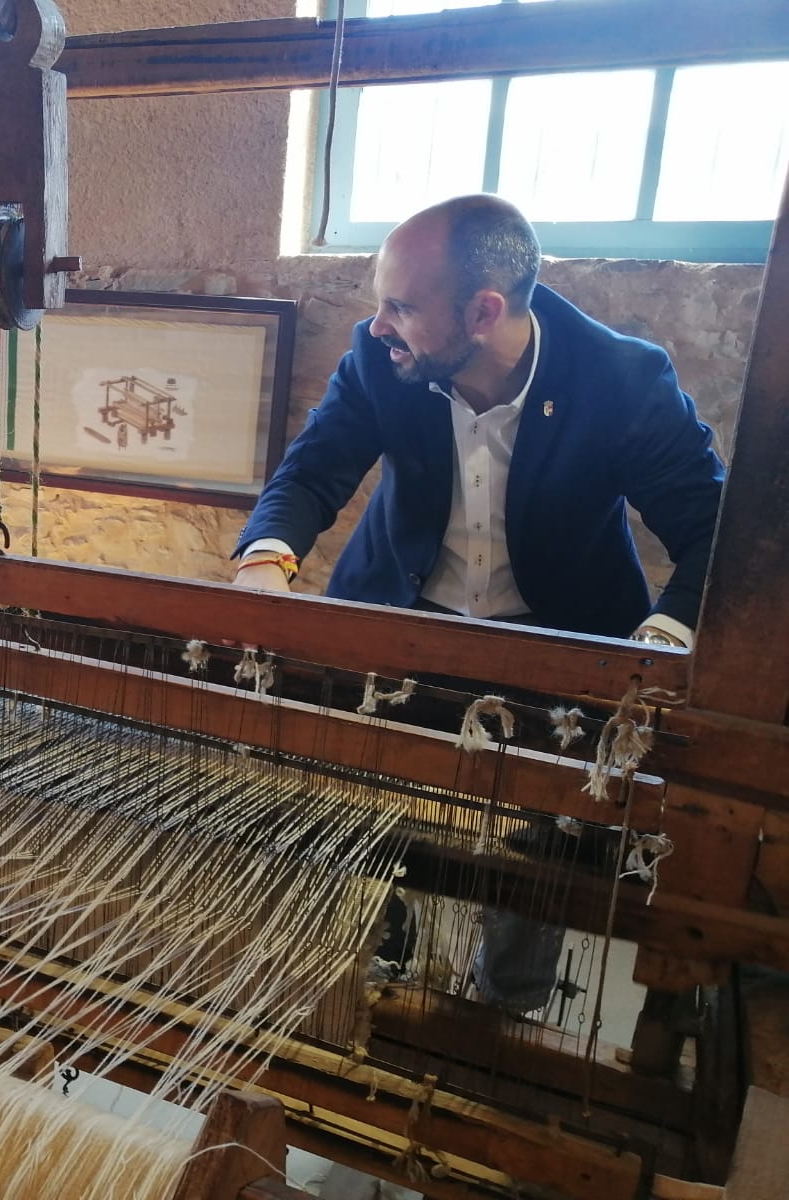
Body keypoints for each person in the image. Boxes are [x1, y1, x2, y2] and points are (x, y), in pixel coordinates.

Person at [232, 194, 725, 1013]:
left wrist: (658, 637)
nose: (377, 323)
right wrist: (264, 561)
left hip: (560, 647)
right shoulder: (376, 359)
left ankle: (500, 1013)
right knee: (364, 810)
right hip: (400, 625)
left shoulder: (621, 379)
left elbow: (713, 534)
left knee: (540, 846)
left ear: (483, 311)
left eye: (400, 305)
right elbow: (313, 472)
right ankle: (367, 976)